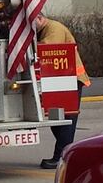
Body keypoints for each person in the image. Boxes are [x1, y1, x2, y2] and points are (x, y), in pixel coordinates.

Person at [36, 14, 90, 169]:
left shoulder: (54, 29)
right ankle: (67, 153)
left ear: (40, 18)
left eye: (32, 23)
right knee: (56, 120)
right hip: (59, 81)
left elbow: (46, 49)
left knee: (66, 120)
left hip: (70, 80)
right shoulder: (45, 30)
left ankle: (61, 157)